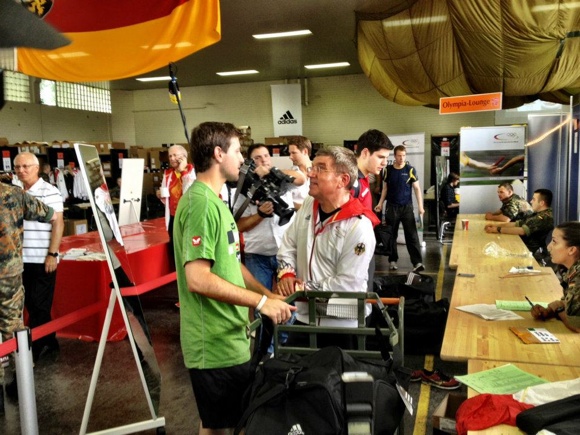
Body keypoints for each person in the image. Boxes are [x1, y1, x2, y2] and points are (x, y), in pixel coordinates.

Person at [173, 122, 295, 435]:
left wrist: (268, 294)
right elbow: (198, 279)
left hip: (230, 338)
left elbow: (232, 265)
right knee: (227, 426)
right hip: (213, 345)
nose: (242, 160)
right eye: (238, 151)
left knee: (221, 424)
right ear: (218, 153)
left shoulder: (217, 202)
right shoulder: (201, 204)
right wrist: (261, 302)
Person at [277, 146, 379, 347]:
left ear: (343, 180)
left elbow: (348, 283)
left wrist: (302, 289)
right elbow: (288, 244)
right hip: (305, 317)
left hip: (343, 325)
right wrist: (287, 274)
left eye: (321, 168)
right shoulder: (308, 204)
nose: (311, 173)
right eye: (312, 167)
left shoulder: (359, 225)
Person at [0, 182, 56, 403]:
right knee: (13, 327)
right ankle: (21, 382)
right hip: (9, 273)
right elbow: (48, 214)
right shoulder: (13, 192)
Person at [14, 152, 64, 362]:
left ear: (36, 167)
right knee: (30, 304)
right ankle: (50, 339)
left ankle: (34, 349)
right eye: (17, 167)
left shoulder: (49, 191)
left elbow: (58, 223)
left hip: (42, 258)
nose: (21, 171)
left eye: (26, 166)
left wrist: (52, 254)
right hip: (19, 259)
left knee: (39, 304)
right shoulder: (14, 192)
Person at [234, 144, 305, 291]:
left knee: (290, 297)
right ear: (251, 162)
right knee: (261, 299)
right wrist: (259, 215)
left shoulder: (281, 180)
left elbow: (301, 179)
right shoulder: (246, 189)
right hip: (257, 255)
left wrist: (273, 172)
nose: (263, 160)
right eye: (257, 158)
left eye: (266, 156)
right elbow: (238, 225)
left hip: (286, 253)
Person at [374, 145, 425, 272]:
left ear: (405, 156)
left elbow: (417, 189)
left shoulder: (410, 170)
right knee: (392, 235)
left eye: (403, 155)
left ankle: (417, 262)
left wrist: (420, 206)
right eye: (399, 155)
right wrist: (380, 203)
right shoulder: (388, 170)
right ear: (395, 156)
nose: (401, 158)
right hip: (391, 208)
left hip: (406, 208)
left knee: (412, 235)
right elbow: (384, 189)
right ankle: (392, 260)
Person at [530, 221, 580, 332]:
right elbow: (568, 304)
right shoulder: (570, 270)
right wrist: (551, 309)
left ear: (571, 250)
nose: (549, 247)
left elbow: (577, 325)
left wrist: (557, 308)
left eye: (554, 242)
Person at [484, 189, 554, 254]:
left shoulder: (543, 217)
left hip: (531, 251)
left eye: (534, 199)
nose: (531, 201)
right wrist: (496, 226)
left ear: (541, 203)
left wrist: (498, 229)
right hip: (523, 245)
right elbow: (518, 224)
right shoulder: (538, 213)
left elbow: (522, 231)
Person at [157, 144, 196, 253]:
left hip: (189, 216)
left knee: (188, 246)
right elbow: (165, 195)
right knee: (174, 246)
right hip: (173, 216)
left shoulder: (192, 172)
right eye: (170, 156)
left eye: (175, 155)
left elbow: (190, 193)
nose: (172, 158)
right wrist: (160, 194)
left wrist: (183, 171)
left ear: (184, 156)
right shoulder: (168, 174)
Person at [287, 136, 312, 210]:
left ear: (305, 151)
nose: (290, 157)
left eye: (294, 153)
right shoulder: (290, 175)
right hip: (298, 217)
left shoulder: (319, 171)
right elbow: (287, 201)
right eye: (290, 153)